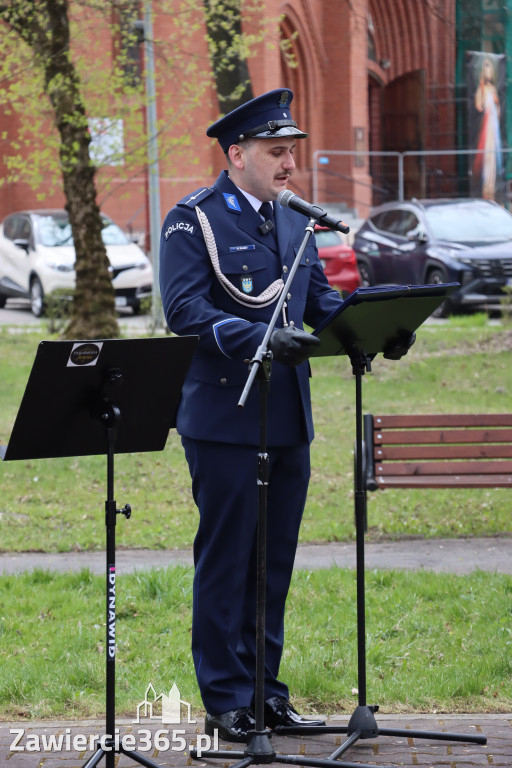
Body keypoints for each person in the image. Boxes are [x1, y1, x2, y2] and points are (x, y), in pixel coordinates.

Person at [159, 88, 412, 743]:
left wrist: (382, 327)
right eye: (276, 152)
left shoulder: (294, 221)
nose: (289, 166)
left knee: (273, 563)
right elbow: (184, 310)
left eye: (291, 153)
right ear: (237, 153)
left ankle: (267, 696)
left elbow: (322, 303)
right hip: (223, 417)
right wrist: (256, 339)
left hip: (287, 418)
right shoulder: (195, 220)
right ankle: (226, 700)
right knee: (228, 561)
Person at [473, 57, 502, 201]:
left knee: (493, 155)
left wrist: (496, 107)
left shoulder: (492, 88)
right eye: (486, 71)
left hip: (493, 124)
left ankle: (492, 189)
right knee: (487, 155)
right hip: (486, 124)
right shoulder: (482, 88)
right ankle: (485, 188)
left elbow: (498, 107)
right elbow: (479, 106)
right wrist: (483, 97)